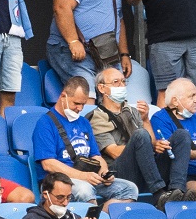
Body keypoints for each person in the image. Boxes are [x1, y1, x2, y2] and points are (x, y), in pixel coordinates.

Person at [90, 66, 192, 207]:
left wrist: (145, 120)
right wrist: (145, 145)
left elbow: (150, 142)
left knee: (182, 135)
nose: (121, 86)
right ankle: (159, 194)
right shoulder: (96, 117)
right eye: (116, 82)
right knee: (140, 135)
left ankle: (177, 190)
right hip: (121, 172)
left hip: (146, 168)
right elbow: (113, 152)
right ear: (101, 88)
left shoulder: (132, 111)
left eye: (123, 82)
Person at [31, 77, 138, 207]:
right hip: (56, 181)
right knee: (84, 190)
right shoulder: (45, 123)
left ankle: (101, 217)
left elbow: (96, 155)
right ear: (63, 96)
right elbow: (49, 164)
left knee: (130, 189)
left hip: (86, 177)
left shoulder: (83, 122)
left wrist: (103, 172)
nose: (80, 108)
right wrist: (83, 176)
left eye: (83, 104)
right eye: (76, 103)